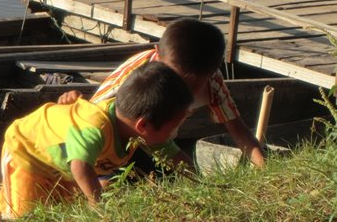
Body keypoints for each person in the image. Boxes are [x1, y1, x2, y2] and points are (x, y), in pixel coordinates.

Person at [0, 61, 193, 219]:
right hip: (26, 151)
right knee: (25, 215)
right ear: (143, 126)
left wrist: (198, 183)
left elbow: (175, 156)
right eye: (172, 128)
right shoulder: (96, 128)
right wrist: (100, 211)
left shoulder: (133, 126)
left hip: (62, 163)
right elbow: (80, 167)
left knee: (62, 209)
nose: (174, 133)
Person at [58, 17, 265, 169]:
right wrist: (72, 105)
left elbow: (238, 129)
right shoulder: (137, 76)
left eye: (193, 86)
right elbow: (93, 119)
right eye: (177, 80)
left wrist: (263, 168)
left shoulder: (212, 81)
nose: (183, 90)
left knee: (185, 169)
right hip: (117, 140)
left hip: (158, 139)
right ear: (157, 57)